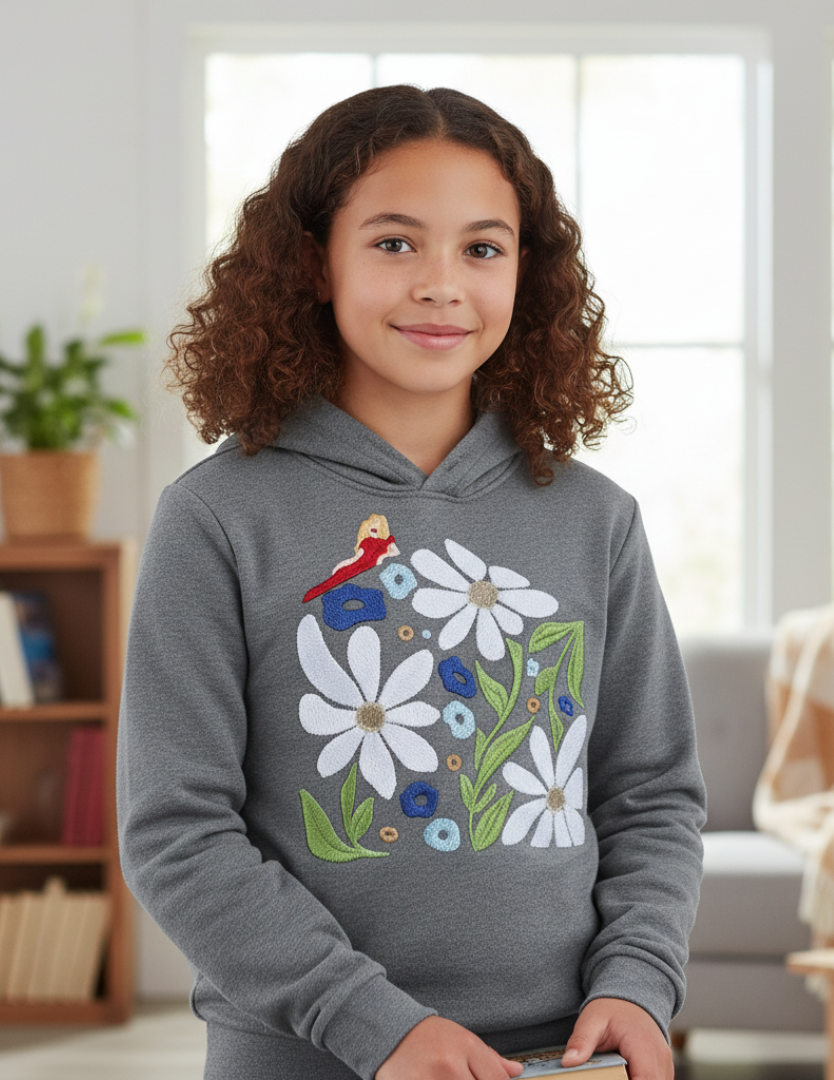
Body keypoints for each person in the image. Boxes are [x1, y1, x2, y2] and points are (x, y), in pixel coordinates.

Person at [117, 84, 705, 1080]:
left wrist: (634, 985)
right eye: (395, 243)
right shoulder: (215, 517)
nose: (442, 285)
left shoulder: (594, 519)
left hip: (563, 1055)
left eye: (482, 249)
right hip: (304, 1055)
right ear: (315, 261)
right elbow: (178, 832)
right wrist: (371, 1023)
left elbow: (651, 795)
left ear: (529, 274)